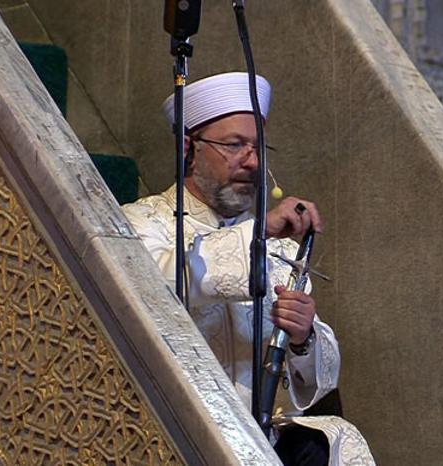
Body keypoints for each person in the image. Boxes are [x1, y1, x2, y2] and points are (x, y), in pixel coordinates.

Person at [122, 72, 372, 465]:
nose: (252, 161)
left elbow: (320, 380)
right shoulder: (139, 225)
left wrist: (303, 336)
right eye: (235, 145)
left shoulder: (279, 248)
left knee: (330, 441)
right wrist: (258, 234)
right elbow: (150, 291)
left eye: (258, 147)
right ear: (188, 148)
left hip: (261, 437)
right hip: (170, 431)